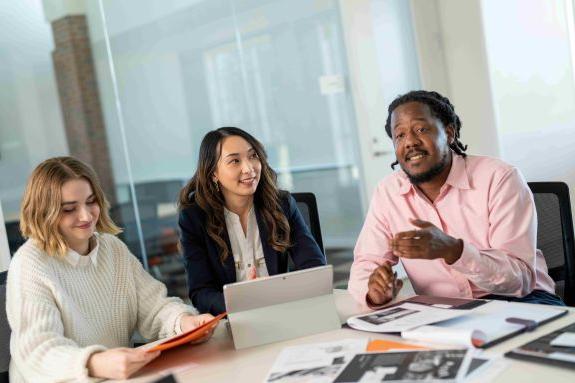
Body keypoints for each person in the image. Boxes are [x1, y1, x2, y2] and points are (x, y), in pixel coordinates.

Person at [6, 157, 214, 382]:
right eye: (69, 209)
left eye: (91, 201)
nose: (86, 216)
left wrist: (183, 322)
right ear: (44, 212)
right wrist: (94, 363)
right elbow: (39, 351)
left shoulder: (112, 249)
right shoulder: (31, 263)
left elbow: (154, 308)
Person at [348, 90, 562, 308]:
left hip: (522, 301)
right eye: (400, 135)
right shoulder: (388, 192)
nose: (410, 142)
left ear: (449, 133)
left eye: (421, 129)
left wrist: (454, 251)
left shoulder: (499, 178)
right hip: (445, 310)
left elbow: (519, 279)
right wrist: (374, 291)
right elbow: (366, 263)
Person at [178, 127, 326, 315]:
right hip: (236, 320)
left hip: (285, 311)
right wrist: (242, 301)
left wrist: (276, 295)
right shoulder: (195, 218)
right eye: (234, 161)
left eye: (253, 156)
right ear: (213, 172)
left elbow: (314, 268)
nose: (249, 168)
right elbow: (201, 292)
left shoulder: (282, 205)